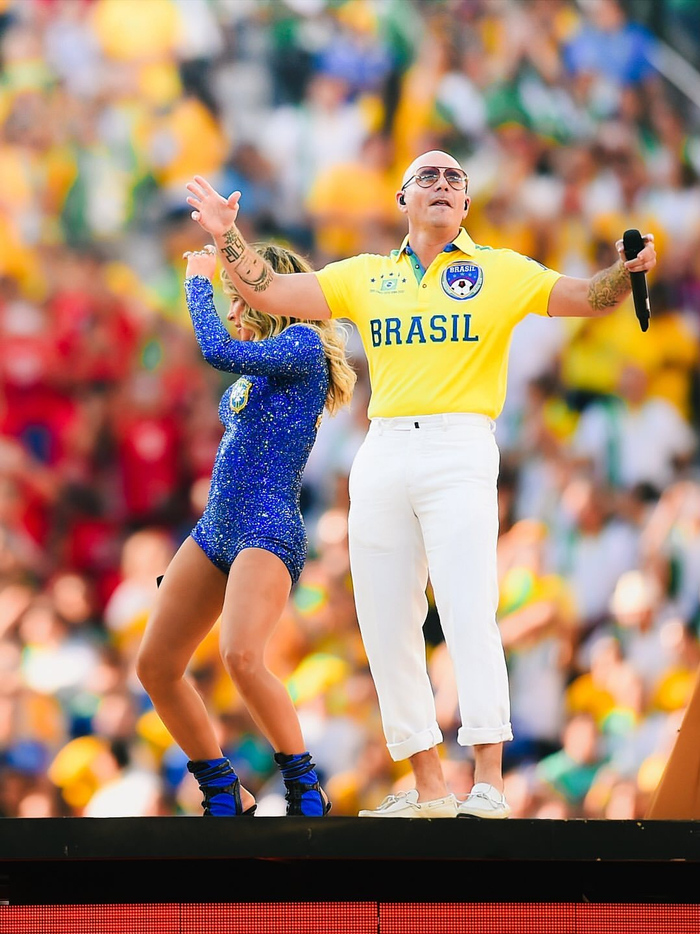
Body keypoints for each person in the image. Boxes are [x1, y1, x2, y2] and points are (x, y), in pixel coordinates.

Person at [183, 149, 657, 819]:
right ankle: (429, 786)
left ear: (466, 203)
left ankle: (488, 781)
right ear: (402, 199)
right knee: (385, 622)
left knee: (468, 608)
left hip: (460, 442)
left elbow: (586, 296)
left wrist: (625, 273)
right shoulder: (366, 275)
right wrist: (227, 233)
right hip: (383, 446)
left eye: (453, 178)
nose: (441, 184)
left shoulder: (500, 269)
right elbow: (268, 292)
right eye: (426, 177)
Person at [135, 242, 356, 818]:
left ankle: (305, 785)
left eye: (239, 299)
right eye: (228, 300)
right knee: (155, 666)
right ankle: (222, 786)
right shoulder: (262, 364)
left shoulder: (304, 344)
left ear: (270, 297)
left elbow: (215, 349)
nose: (232, 310)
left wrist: (198, 284)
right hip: (216, 526)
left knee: (240, 655)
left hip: (266, 525)